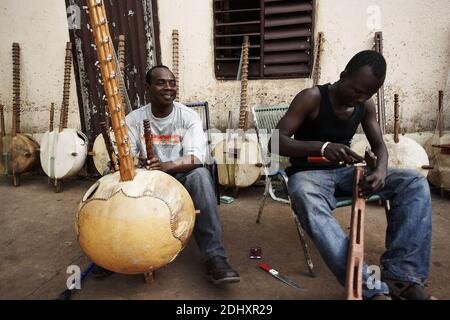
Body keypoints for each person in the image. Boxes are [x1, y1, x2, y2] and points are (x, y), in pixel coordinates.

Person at [273, 50, 433, 299]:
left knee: (413, 183)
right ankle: (370, 288)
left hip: (347, 174)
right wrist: (323, 147)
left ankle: (403, 277)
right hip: (309, 175)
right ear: (343, 76)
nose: (360, 97)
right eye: (357, 90)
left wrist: (380, 170)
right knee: (304, 196)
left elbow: (379, 146)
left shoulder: (364, 105)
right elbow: (275, 143)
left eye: (367, 93)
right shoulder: (311, 98)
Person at [92, 65, 240, 285]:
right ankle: (112, 252)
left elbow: (195, 158)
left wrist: (166, 165)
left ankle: (215, 256)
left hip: (181, 177)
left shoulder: (188, 117)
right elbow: (128, 157)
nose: (168, 87)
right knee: (109, 177)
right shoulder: (134, 119)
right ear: (148, 89)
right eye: (161, 83)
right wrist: (130, 164)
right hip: (146, 179)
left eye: (172, 82)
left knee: (200, 176)